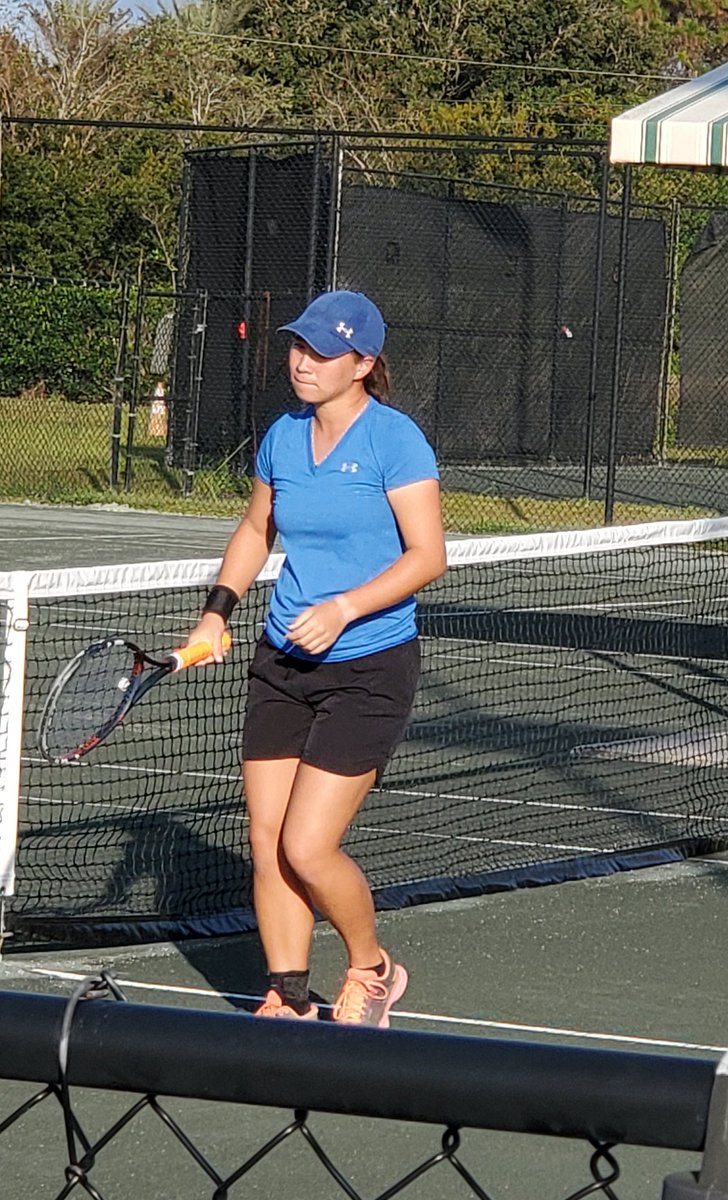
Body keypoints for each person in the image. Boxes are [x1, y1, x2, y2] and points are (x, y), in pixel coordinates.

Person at [188, 290, 446, 1028]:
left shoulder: (395, 442)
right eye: (298, 347)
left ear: (362, 365)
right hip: (282, 662)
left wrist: (342, 608)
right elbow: (254, 528)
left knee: (307, 845)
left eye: (322, 353)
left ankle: (372, 968)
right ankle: (288, 993)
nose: (302, 363)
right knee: (267, 844)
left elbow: (429, 557)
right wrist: (217, 612)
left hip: (369, 664)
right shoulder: (281, 437)